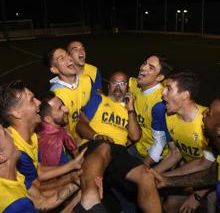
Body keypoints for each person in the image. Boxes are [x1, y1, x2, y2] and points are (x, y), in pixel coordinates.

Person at [75, 71, 162, 213]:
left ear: (127, 89)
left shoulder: (129, 111)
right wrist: (96, 136)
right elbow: (81, 124)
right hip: (95, 145)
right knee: (104, 146)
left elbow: (134, 136)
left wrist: (131, 109)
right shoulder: (98, 99)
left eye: (122, 84)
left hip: (118, 151)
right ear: (108, 86)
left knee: (147, 175)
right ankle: (89, 201)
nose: (118, 87)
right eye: (114, 83)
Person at [0, 80, 85, 211]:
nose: (39, 103)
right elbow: (39, 188)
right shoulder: (18, 153)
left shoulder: (32, 136)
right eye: (32, 100)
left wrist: (73, 169)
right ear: (17, 113)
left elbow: (40, 196)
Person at [154, 71, 216, 213]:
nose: (162, 93)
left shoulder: (208, 122)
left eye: (168, 88)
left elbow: (211, 167)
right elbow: (175, 153)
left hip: (211, 179)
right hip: (189, 170)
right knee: (170, 206)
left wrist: (198, 196)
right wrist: (149, 172)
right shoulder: (169, 116)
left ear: (185, 95)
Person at [128, 53, 173, 167]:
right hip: (135, 145)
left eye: (151, 68)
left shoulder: (161, 102)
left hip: (151, 157)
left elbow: (159, 143)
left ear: (159, 77)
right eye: (144, 63)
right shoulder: (134, 85)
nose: (143, 67)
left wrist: (145, 167)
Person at [45, 47, 95, 143]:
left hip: (93, 134)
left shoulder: (87, 80)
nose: (69, 58)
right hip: (75, 144)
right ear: (55, 69)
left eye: (68, 54)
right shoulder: (56, 95)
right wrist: (75, 151)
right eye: (62, 58)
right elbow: (64, 130)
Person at [0, 124, 38, 213]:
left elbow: (40, 201)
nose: (12, 133)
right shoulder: (17, 206)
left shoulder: (13, 175)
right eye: (5, 133)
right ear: (1, 157)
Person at [37, 91, 77, 166]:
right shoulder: (51, 143)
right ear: (48, 119)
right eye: (59, 109)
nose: (66, 109)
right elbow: (57, 172)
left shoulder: (57, 128)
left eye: (63, 105)